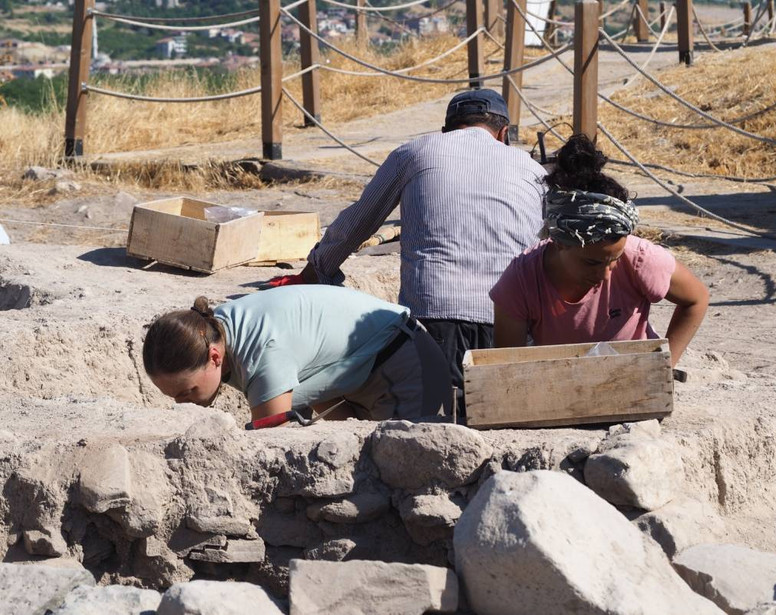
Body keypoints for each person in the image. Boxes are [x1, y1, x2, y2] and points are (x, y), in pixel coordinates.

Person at [269, 89, 548, 410]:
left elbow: (357, 224)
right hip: (509, 325)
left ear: (447, 129)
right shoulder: (533, 170)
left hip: (432, 321)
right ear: (503, 133)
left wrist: (316, 270)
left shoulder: (414, 152)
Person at [490, 134, 708, 367]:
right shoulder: (521, 279)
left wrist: (664, 366)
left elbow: (696, 300)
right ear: (560, 242)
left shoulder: (639, 259)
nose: (606, 274)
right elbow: (507, 366)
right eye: (592, 263)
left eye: (614, 260)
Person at [142, 286, 452, 423]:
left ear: (213, 356)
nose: (182, 404)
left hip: (407, 366)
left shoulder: (262, 355)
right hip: (361, 371)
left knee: (397, 474)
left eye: (187, 392)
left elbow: (271, 446)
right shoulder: (214, 326)